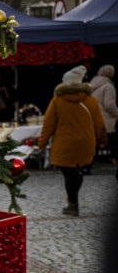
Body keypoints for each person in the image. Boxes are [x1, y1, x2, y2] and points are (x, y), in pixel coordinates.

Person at [37, 65, 106, 216]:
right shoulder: (92, 101)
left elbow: (48, 125)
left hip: (64, 143)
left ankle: (72, 204)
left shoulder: (57, 101)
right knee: (78, 171)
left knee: (69, 174)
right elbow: (99, 124)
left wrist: (42, 143)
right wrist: (102, 140)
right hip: (86, 143)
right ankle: (73, 203)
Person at [90, 64, 118, 179]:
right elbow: (109, 104)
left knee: (93, 145)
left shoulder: (92, 85)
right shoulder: (108, 87)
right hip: (107, 121)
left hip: (94, 119)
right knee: (113, 144)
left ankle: (86, 166)